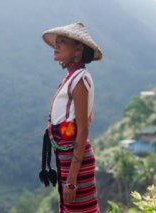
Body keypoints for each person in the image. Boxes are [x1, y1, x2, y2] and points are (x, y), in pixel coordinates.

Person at [39, 22, 104, 213]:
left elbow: (83, 128)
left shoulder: (80, 79)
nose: (56, 46)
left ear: (77, 50)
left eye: (62, 42)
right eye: (56, 42)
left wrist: (72, 180)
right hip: (66, 156)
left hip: (76, 160)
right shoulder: (72, 77)